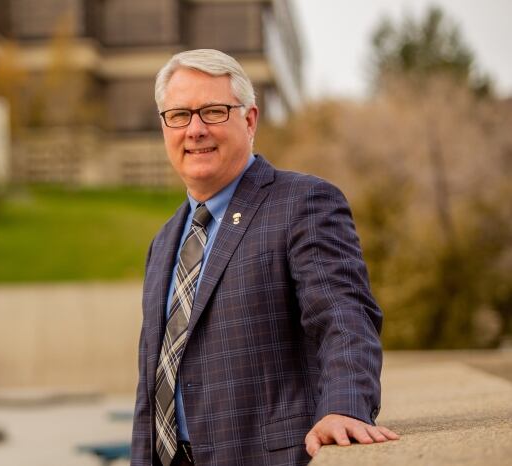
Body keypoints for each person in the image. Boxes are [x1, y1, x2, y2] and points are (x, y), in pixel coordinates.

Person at [131, 49, 399, 466]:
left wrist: (344, 406)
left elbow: (343, 316)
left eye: (213, 112)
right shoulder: (164, 241)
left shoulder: (303, 203)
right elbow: (154, 380)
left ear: (250, 119)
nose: (195, 129)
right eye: (179, 115)